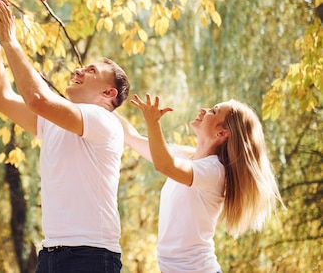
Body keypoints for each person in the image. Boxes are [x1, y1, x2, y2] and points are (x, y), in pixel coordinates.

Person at [0, 0, 130, 273]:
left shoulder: (103, 121)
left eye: (91, 70)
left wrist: (10, 40)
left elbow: (37, 98)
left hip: (91, 256)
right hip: (50, 255)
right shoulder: (54, 123)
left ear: (109, 94)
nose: (78, 70)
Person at [116, 94, 283, 273]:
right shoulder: (185, 159)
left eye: (213, 111)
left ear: (222, 133)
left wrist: (153, 122)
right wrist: (97, 100)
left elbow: (164, 165)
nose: (204, 110)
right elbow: (131, 136)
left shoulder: (215, 172)